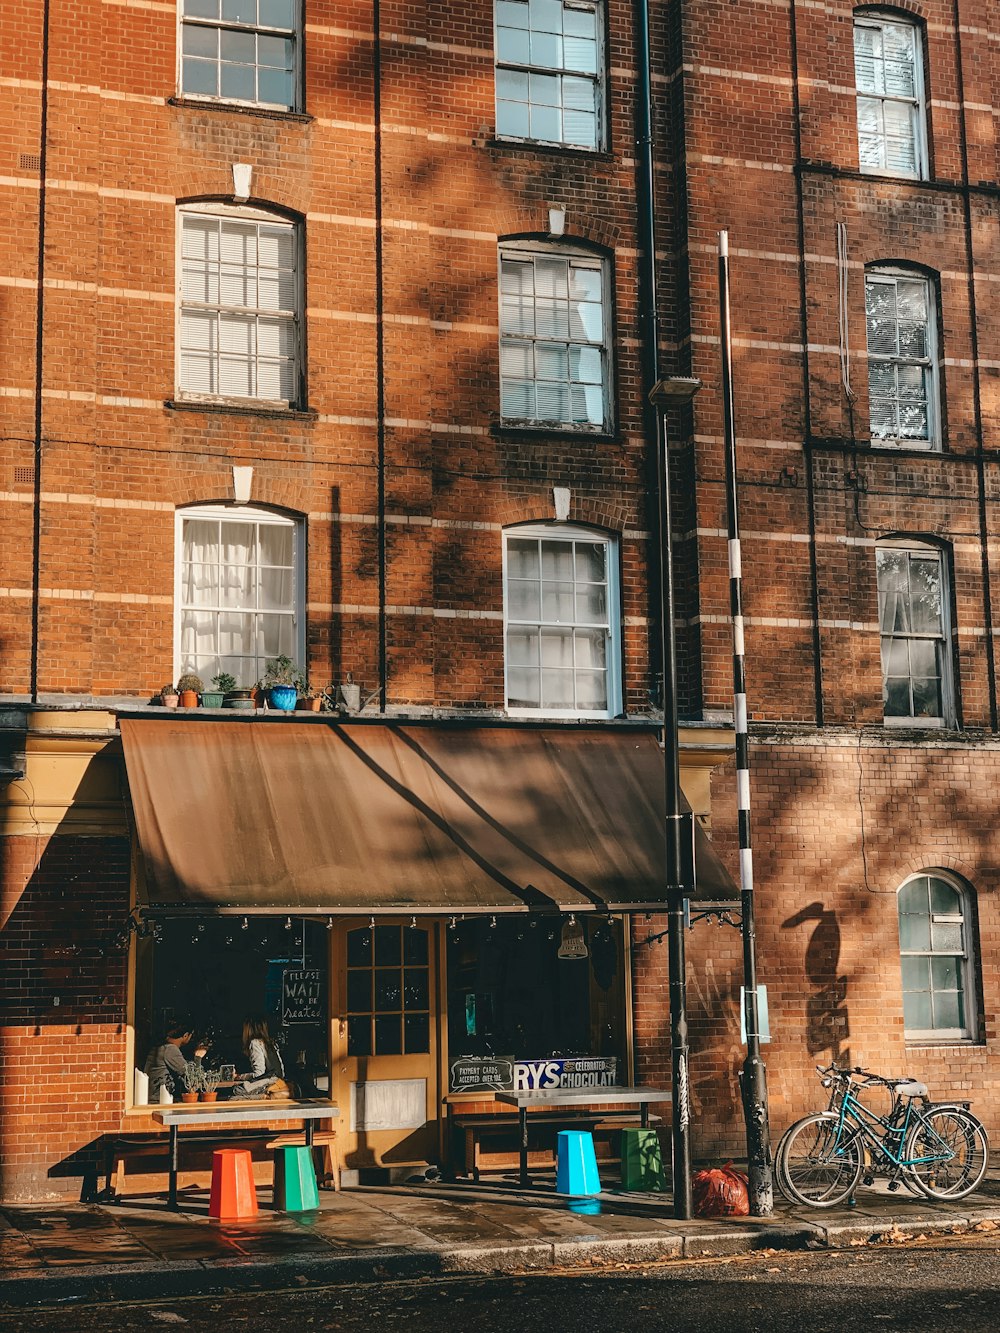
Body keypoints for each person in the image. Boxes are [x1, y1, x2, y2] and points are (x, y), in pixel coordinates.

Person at [237, 1017, 293, 1099]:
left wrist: (239, 1076)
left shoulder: (255, 1043)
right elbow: (281, 1071)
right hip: (278, 1085)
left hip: (267, 1087)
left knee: (236, 1093)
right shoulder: (270, 1043)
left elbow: (259, 1073)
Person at [144, 1022, 194, 1102]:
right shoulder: (169, 1049)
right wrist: (198, 1056)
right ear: (185, 1035)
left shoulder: (160, 1046)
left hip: (155, 1097)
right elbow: (190, 1075)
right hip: (160, 1100)